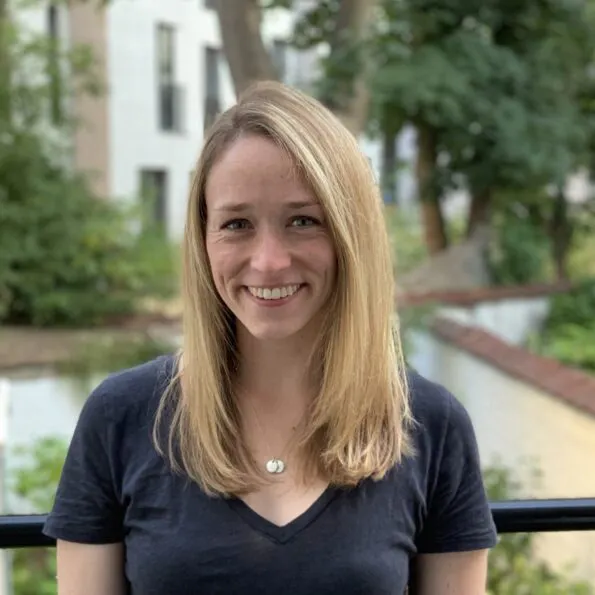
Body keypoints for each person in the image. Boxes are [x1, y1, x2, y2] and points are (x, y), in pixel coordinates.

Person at [44, 80, 497, 594]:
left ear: (352, 235)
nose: (268, 261)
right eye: (237, 224)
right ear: (203, 239)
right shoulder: (120, 417)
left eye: (303, 221)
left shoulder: (431, 426)